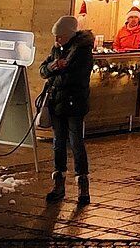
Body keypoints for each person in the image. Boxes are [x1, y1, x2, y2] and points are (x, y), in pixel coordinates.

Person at [40, 16, 94, 206]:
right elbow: (42, 70)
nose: (57, 41)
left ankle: (83, 185)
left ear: (69, 35)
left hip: (74, 103)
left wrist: (54, 75)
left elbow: (74, 78)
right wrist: (53, 67)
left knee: (76, 142)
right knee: (58, 143)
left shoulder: (82, 51)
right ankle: (58, 184)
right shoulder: (57, 50)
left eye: (60, 37)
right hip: (57, 103)